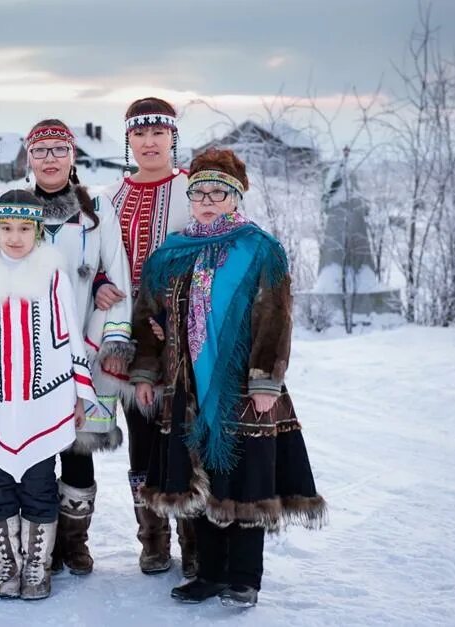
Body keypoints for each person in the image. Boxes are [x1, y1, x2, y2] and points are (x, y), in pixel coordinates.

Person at [131, 148, 326, 608]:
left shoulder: (259, 249)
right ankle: (208, 573)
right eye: (199, 192)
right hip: (186, 384)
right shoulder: (170, 253)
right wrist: (145, 369)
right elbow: (147, 315)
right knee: (197, 481)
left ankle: (244, 577)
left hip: (242, 385)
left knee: (244, 483)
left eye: (219, 192)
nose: (208, 199)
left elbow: (275, 318)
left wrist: (265, 382)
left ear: (235, 198)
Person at [0, 189, 98, 600]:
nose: (15, 237)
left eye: (24, 229)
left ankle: (36, 565)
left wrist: (78, 394)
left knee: (39, 484)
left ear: (37, 231)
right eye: (7, 228)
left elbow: (69, 337)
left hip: (42, 403)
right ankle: (4, 564)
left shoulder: (52, 273)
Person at [25, 119, 133, 575]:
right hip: (27, 352)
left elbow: (118, 272)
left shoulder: (96, 208)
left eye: (58, 150)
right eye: (40, 150)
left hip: (86, 345)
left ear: (73, 157)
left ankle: (74, 543)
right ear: (28, 158)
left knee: (79, 449)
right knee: (34, 451)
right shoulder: (14, 205)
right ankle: (43, 544)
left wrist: (113, 338)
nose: (50, 159)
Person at [101, 97, 196, 577]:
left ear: (172, 138)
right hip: (124, 335)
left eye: (158, 133)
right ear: (129, 140)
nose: (149, 142)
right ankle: (153, 538)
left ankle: (192, 536)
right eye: (140, 133)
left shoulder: (192, 192)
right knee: (140, 437)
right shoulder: (109, 196)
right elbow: (96, 259)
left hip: (180, 336)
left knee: (181, 435)